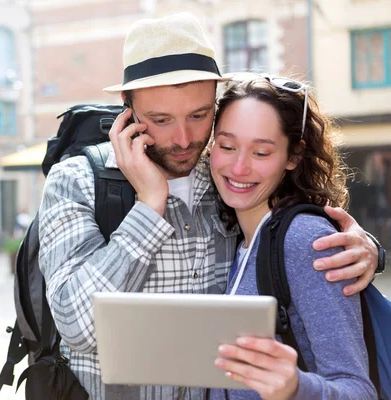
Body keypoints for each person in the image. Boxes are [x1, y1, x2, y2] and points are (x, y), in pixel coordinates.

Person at [38, 12, 381, 400]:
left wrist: (368, 249)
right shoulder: (77, 181)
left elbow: (294, 229)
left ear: (215, 103)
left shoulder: (224, 170)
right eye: (161, 119)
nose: (184, 139)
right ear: (127, 106)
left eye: (199, 116)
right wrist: (150, 206)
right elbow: (77, 327)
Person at [210, 75, 377, 399]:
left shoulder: (306, 241)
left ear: (293, 156)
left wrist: (296, 388)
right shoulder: (227, 232)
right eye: (227, 146)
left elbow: (358, 390)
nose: (239, 167)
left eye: (261, 153)